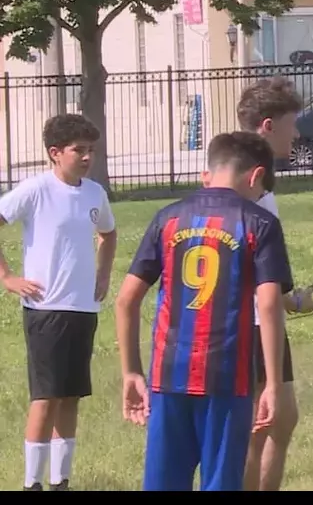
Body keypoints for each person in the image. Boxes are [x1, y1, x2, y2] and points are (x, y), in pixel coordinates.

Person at [114, 131, 293, 491]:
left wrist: (131, 371)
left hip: (168, 372)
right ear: (255, 176)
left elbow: (125, 300)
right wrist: (273, 384)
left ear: (210, 170)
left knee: (164, 481)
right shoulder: (259, 222)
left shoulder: (168, 218)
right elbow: (270, 303)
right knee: (221, 480)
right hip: (228, 374)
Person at [0, 114, 117, 492]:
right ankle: (31, 482)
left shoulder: (94, 193)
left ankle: (60, 480)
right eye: (78, 150)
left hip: (82, 308)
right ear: (55, 153)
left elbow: (108, 235)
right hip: (45, 309)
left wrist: (103, 274)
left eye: (91, 150)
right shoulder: (36, 190)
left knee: (70, 395)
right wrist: (7, 277)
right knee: (46, 396)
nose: (86, 157)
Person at [235, 76, 313, 491]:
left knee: (281, 419)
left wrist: (293, 299)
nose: (299, 132)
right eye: (293, 123)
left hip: (265, 316)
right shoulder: (245, 184)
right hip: (249, 324)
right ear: (268, 126)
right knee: (260, 424)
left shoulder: (261, 184)